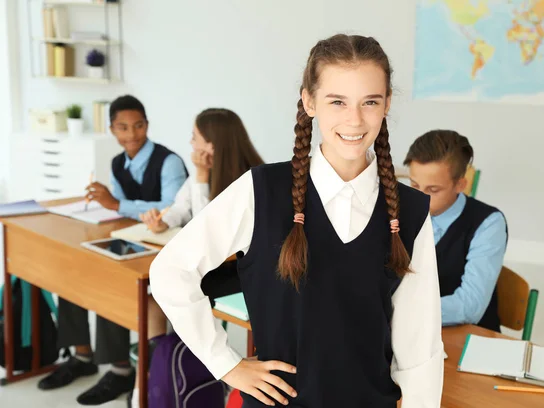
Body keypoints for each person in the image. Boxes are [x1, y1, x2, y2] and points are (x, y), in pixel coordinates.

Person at [151, 34, 443, 408]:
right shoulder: (261, 191)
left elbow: (420, 350)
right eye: (337, 101)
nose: (354, 119)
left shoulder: (411, 210)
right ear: (309, 102)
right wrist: (227, 365)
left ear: (386, 104)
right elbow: (170, 272)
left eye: (369, 102)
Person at [38, 95, 188, 406]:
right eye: (123, 128)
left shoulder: (169, 161)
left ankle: (121, 370)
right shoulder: (118, 163)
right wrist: (110, 206)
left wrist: (117, 204)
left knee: (111, 280)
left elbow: (174, 208)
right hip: (134, 237)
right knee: (74, 269)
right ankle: (82, 355)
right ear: (112, 130)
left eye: (138, 126)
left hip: (165, 247)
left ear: (147, 125)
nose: (132, 134)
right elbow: (118, 212)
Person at [129, 108, 264, 408]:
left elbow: (212, 232)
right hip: (207, 270)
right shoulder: (198, 178)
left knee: (165, 295)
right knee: (153, 297)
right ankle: (158, 366)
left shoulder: (252, 179)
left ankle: (172, 366)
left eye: (196, 139)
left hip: (233, 273)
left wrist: (201, 178)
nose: (191, 145)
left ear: (213, 144)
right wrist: (161, 221)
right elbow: (180, 210)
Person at [404, 130, 508, 331]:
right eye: (414, 185)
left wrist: (403, 311)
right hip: (409, 334)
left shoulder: (488, 224)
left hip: (467, 340)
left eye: (433, 190)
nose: (419, 197)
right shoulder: (400, 211)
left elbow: (470, 306)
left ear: (461, 184)